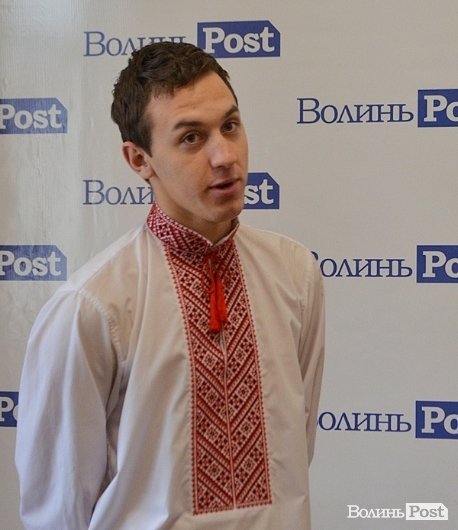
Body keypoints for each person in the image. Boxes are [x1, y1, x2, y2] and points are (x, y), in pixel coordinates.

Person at [15, 42, 325, 530]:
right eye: (191, 138)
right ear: (139, 159)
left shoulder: (295, 272)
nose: (225, 156)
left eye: (230, 126)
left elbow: (297, 446)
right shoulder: (92, 305)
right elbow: (58, 505)